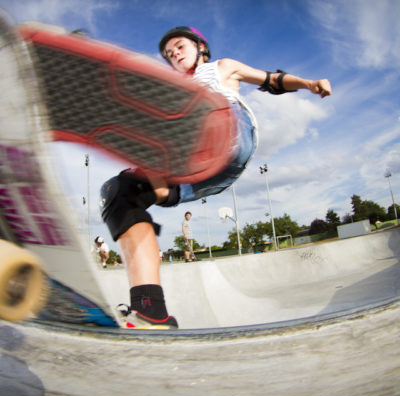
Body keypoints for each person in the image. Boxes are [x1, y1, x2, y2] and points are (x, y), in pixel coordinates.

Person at [100, 26, 332, 329]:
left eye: (180, 47)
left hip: (231, 134)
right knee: (120, 191)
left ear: (200, 48)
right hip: (195, 173)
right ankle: (150, 311)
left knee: (183, 101)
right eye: (170, 54)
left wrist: (308, 83)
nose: (175, 55)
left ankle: (154, 134)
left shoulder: (222, 67)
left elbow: (271, 80)